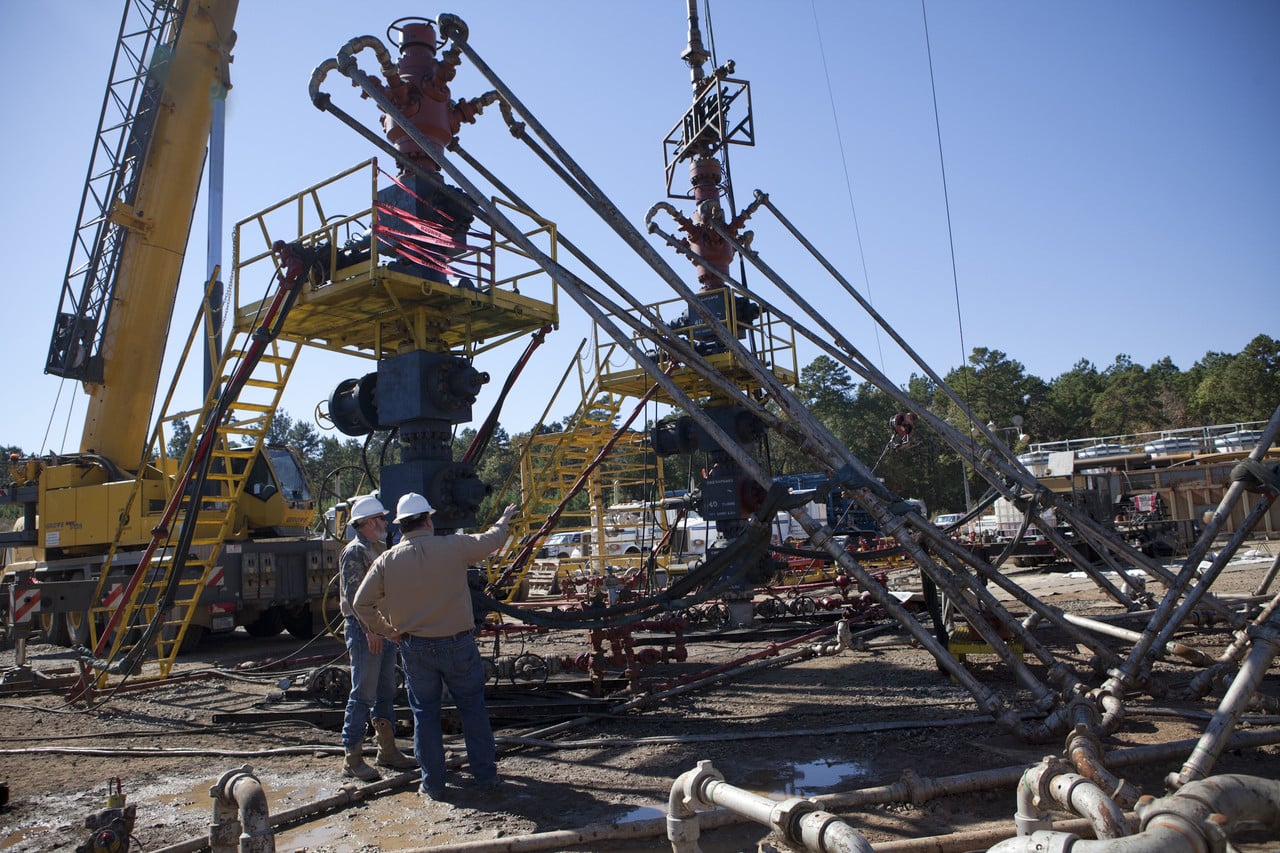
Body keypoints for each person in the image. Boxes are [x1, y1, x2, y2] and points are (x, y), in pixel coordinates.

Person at [354, 493, 517, 800]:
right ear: (428, 519)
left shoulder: (387, 560)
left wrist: (388, 631)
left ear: (401, 525)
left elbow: (361, 603)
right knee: (472, 710)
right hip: (458, 644)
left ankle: (434, 785)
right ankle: (485, 776)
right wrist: (503, 520)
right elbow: (489, 541)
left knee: (425, 716)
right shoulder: (453, 547)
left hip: (415, 648)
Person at [337, 494, 417, 782]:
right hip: (364, 630)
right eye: (381, 518)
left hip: (379, 628)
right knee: (362, 693)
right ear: (369, 522)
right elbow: (354, 596)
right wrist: (371, 630)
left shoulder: (377, 547)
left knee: (384, 690)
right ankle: (353, 758)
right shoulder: (356, 551)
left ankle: (387, 750)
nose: (385, 522)